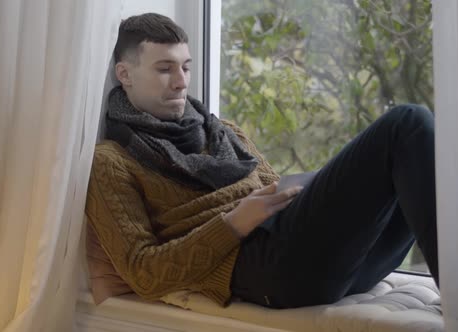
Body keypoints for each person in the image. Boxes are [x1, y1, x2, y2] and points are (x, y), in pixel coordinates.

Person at [85, 12, 438, 309]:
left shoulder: (225, 133)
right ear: (125, 74)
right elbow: (142, 272)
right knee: (407, 123)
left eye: (186, 68)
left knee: (414, 160)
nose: (181, 83)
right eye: (165, 69)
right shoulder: (112, 161)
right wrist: (234, 222)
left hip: (338, 268)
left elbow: (273, 190)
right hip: (264, 271)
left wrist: (302, 191)